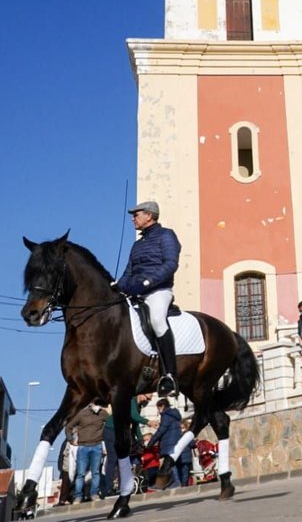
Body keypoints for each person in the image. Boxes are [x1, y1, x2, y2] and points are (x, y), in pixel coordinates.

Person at [117, 200, 182, 395]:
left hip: (158, 291)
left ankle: (170, 375)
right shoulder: (137, 244)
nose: (133, 218)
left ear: (149, 215)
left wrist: (147, 282)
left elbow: (171, 264)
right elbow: (128, 272)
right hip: (136, 292)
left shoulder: (167, 236)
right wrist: (118, 288)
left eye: (136, 215)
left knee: (157, 320)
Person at [65, 399, 108, 502]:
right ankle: (78, 496)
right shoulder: (81, 414)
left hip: (97, 446)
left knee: (96, 472)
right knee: (80, 473)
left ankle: (94, 494)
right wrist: (71, 440)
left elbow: (112, 423)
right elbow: (69, 427)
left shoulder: (103, 413)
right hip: (83, 447)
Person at [150, 397, 183, 486]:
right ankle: (174, 482)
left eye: (158, 408)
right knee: (173, 463)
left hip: (169, 443)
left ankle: (176, 483)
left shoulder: (166, 415)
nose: (158, 411)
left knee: (170, 464)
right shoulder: (173, 415)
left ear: (162, 406)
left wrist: (151, 442)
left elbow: (161, 430)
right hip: (175, 442)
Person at [175, 419, 195, 487]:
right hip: (183, 459)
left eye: (183, 428)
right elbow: (192, 444)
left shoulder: (175, 436)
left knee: (182, 473)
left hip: (181, 458)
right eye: (180, 428)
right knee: (184, 474)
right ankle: (183, 485)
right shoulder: (187, 436)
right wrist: (194, 442)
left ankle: (182, 485)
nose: (181, 429)